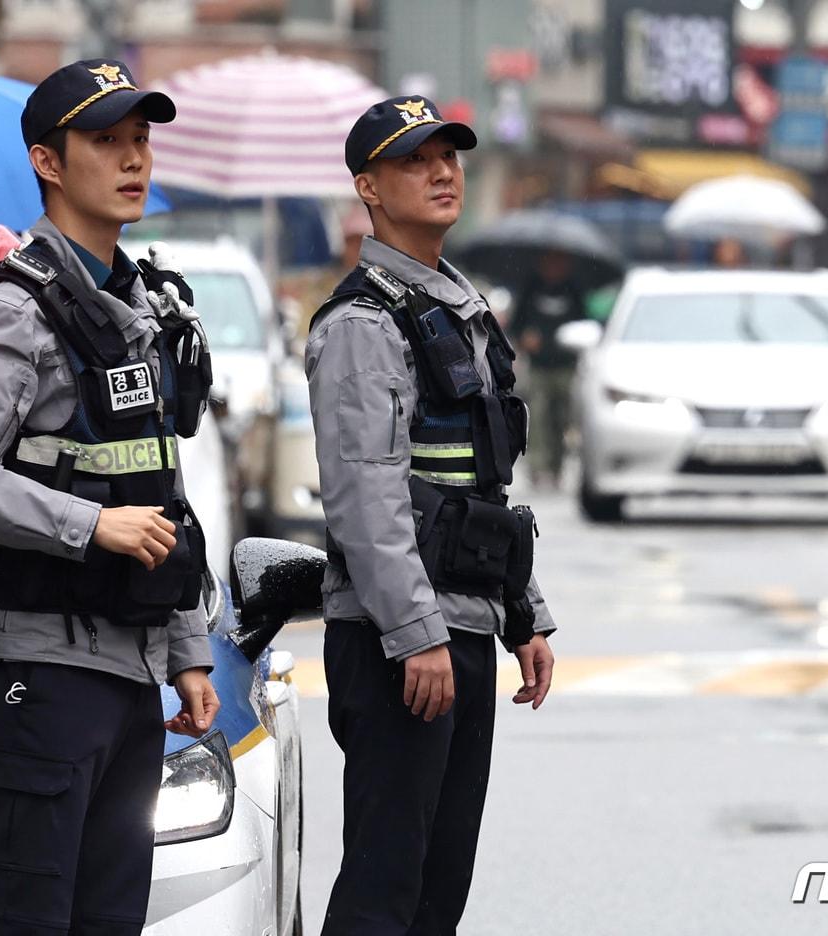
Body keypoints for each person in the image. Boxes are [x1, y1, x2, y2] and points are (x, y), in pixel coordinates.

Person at [0, 58, 221, 936]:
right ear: (49, 162)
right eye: (105, 141)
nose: (133, 160)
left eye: (140, 139)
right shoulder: (17, 308)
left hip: (130, 671)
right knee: (30, 920)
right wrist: (89, 525)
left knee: (111, 919)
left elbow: (159, 487)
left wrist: (189, 649)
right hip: (39, 669)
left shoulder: (141, 304)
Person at [305, 95, 559, 936]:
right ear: (368, 187)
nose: (443, 171)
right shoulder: (363, 322)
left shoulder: (458, 308)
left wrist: (524, 611)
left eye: (449, 155)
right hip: (398, 642)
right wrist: (416, 633)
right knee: (385, 890)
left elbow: (481, 485)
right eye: (416, 160)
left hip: (462, 626)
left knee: (437, 892)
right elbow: (364, 498)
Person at [511, 250, 586, 488]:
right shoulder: (531, 287)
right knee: (539, 417)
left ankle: (557, 466)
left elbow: (584, 323)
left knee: (562, 418)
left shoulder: (574, 289)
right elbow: (516, 324)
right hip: (539, 367)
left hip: (565, 365)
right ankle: (538, 467)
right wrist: (525, 338)